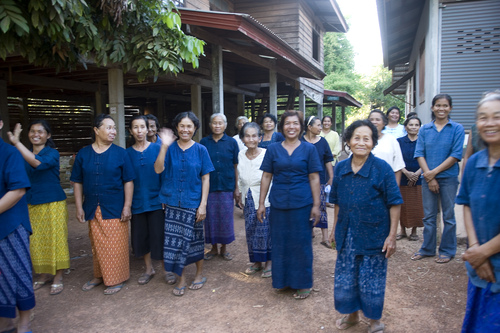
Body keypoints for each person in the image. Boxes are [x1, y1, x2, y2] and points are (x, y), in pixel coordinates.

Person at [329, 120, 402, 333]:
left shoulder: (382, 169)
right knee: (347, 276)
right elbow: (337, 202)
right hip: (347, 233)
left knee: (372, 279)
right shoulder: (341, 168)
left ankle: (373, 321)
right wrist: (335, 228)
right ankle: (351, 316)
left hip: (375, 234)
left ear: (373, 142)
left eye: (366, 138)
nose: (361, 142)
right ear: (348, 142)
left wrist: (392, 236)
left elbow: (395, 202)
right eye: (356, 138)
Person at [257, 110, 322, 300]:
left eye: (295, 123)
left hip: (302, 203)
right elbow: (267, 175)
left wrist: (317, 205)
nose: (291, 127)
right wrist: (261, 203)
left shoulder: (309, 149)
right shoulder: (273, 149)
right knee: (280, 243)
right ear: (282, 127)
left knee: (301, 244)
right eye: (287, 123)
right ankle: (282, 281)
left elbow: (314, 177)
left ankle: (303, 284)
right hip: (278, 203)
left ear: (301, 127)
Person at [71, 114, 135, 295]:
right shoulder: (84, 154)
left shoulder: (121, 153)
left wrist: (127, 206)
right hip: (92, 206)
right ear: (96, 130)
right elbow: (77, 181)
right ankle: (99, 276)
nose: (113, 131)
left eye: (114, 128)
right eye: (108, 127)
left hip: (115, 207)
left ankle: (116, 279)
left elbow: (128, 181)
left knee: (115, 245)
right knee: (96, 243)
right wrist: (78, 207)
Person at [154, 111, 214, 296]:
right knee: (176, 243)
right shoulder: (169, 148)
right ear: (176, 128)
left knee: (195, 241)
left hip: (193, 203)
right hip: (172, 203)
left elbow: (205, 178)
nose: (185, 129)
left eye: (189, 126)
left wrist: (203, 204)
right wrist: (164, 147)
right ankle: (180, 279)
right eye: (182, 126)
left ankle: (199, 274)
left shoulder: (201, 150)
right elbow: (158, 169)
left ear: (195, 128)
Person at [8, 120, 70, 296]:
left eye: (40, 131)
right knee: (37, 241)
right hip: (31, 202)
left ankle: (58, 275)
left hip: (53, 202)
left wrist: (17, 142)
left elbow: (37, 163)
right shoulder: (21, 154)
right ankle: (44, 274)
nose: (36, 134)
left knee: (56, 239)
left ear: (48, 135)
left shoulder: (52, 153)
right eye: (32, 131)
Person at [457, 91, 500, 332]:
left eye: (497, 116)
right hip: (479, 268)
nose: (490, 123)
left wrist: (483, 252)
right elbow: (467, 204)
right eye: (483, 117)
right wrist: (474, 249)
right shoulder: (473, 163)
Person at [411, 94, 465, 263]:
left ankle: (447, 251)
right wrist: (429, 176)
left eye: (445, 105)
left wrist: (432, 173)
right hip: (427, 179)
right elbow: (419, 153)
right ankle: (427, 249)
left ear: (450, 108)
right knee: (428, 216)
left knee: (448, 216)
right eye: (438, 105)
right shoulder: (425, 129)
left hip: (448, 178)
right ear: (433, 108)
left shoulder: (457, 128)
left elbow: (456, 155)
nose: (441, 109)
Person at [0, 116, 35, 333]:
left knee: (19, 274)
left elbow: (18, 190)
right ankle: (5, 323)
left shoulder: (9, 153)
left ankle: (23, 324)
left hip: (11, 225)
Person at [126, 115, 164, 285]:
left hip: (157, 201)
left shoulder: (158, 149)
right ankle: (149, 269)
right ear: (130, 131)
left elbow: (165, 174)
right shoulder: (126, 154)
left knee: (159, 235)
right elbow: (126, 180)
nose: (140, 131)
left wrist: (164, 197)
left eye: (143, 127)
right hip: (137, 202)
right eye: (136, 127)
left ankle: (166, 269)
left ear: (147, 129)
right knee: (142, 237)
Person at [201, 113, 240, 261]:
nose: (217, 126)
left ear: (225, 125)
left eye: (220, 123)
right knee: (210, 218)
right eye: (214, 123)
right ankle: (213, 248)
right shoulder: (204, 142)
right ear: (210, 125)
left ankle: (224, 248)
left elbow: (236, 166)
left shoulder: (231, 143)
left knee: (225, 218)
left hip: (226, 185)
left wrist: (236, 188)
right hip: (209, 187)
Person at [237, 122, 272, 278]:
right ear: (243, 138)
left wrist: (262, 203)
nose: (250, 139)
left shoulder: (267, 153)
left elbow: (271, 177)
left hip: (264, 198)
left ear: (260, 138)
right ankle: (257, 262)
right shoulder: (240, 154)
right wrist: (238, 192)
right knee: (251, 230)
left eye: (254, 136)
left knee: (265, 230)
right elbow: (240, 176)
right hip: (247, 197)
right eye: (247, 136)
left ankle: (269, 263)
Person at [302, 116, 334, 248]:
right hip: (302, 180)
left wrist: (331, 177)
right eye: (318, 125)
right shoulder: (300, 142)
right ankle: (308, 232)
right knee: (305, 207)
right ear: (310, 127)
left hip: (319, 180)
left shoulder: (323, 142)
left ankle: (325, 237)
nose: (321, 128)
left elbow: (328, 160)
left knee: (320, 206)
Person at [396, 116, 424, 241]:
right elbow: (396, 159)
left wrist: (417, 173)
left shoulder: (423, 141)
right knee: (402, 205)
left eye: (416, 125)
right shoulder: (399, 142)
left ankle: (414, 231)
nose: (413, 127)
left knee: (417, 205)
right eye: (411, 125)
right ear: (406, 127)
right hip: (403, 177)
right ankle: (402, 231)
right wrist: (406, 172)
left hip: (419, 177)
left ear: (419, 127)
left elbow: (426, 159)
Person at [369, 109, 405, 185]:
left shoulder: (391, 140)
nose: (374, 122)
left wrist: (396, 188)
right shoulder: (361, 140)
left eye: (377, 120)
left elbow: (398, 167)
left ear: (384, 123)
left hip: (386, 183)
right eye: (371, 119)